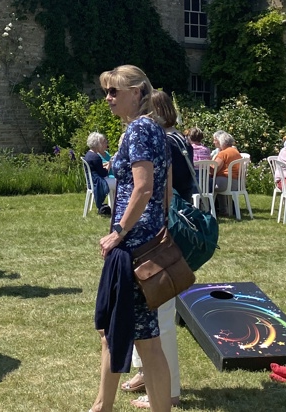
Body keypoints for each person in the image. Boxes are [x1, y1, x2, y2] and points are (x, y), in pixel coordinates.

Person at [92, 65, 172, 412]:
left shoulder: (139, 130)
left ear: (137, 92)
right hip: (147, 242)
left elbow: (143, 187)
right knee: (131, 333)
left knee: (137, 336)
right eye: (106, 91)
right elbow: (165, 189)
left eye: (115, 91)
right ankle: (101, 405)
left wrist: (118, 232)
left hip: (133, 247)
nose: (108, 98)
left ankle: (104, 406)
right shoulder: (154, 128)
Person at [123, 91, 191, 410]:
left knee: (160, 312)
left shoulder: (163, 141)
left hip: (167, 229)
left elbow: (160, 189)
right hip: (175, 224)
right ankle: (146, 374)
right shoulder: (175, 139)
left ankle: (168, 391)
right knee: (148, 308)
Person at [210, 131, 242, 214]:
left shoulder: (223, 153)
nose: (214, 142)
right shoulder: (235, 152)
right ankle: (223, 210)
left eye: (215, 140)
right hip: (236, 183)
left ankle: (207, 209)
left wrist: (206, 166)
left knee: (205, 185)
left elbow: (214, 170)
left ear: (221, 141)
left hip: (225, 183)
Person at [85, 132, 113, 216]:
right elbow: (104, 173)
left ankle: (112, 206)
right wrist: (110, 164)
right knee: (118, 182)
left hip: (92, 182)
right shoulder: (96, 157)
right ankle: (116, 206)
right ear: (97, 143)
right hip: (98, 182)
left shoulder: (89, 154)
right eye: (102, 142)